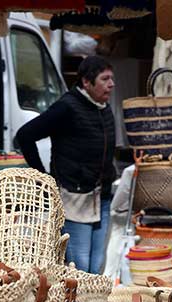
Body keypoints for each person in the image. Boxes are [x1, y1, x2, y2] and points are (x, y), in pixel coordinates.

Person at [16, 55, 116, 274]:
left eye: (112, 78)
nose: (111, 84)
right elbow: (25, 135)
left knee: (97, 267)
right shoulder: (66, 107)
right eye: (105, 79)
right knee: (79, 269)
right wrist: (44, 177)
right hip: (74, 198)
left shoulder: (103, 107)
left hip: (102, 198)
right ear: (86, 82)